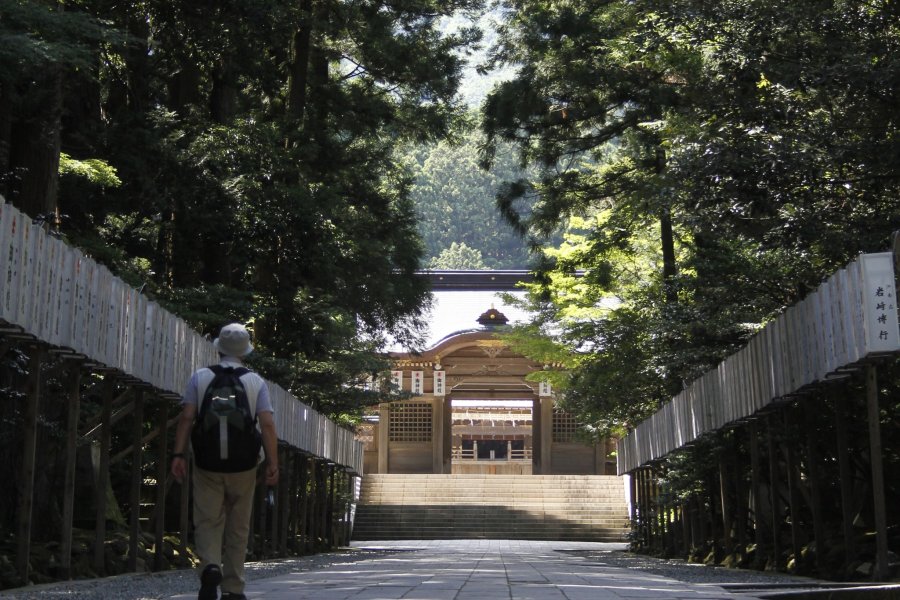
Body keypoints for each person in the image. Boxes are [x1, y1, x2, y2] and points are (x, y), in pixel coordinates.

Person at [171, 323, 279, 600]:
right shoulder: (255, 382)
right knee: (238, 524)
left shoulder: (200, 377)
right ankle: (234, 586)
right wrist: (272, 463)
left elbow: (186, 417)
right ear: (245, 351)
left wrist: (178, 454)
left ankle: (209, 567)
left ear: (218, 348)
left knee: (207, 520)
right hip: (244, 464)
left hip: (207, 463)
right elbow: (266, 424)